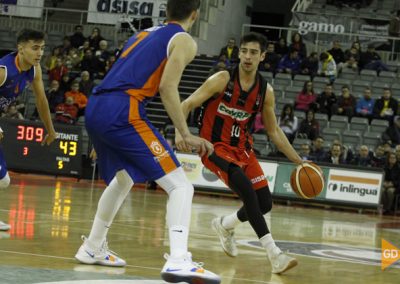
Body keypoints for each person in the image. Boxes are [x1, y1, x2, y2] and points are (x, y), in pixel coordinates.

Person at [74, 1, 220, 283]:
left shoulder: (142, 34)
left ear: (166, 10)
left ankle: (92, 247)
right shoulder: (185, 40)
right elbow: (167, 86)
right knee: (180, 185)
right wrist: (184, 132)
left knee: (124, 178)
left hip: (98, 107)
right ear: (196, 14)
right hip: (123, 111)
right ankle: (178, 260)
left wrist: (103, 130)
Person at [177, 32, 302, 274]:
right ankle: (274, 254)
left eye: (254, 52)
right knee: (248, 193)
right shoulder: (222, 79)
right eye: (244, 51)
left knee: (264, 203)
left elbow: (274, 132)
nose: (247, 56)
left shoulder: (266, 92)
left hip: (243, 149)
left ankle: (225, 225)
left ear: (262, 56)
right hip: (214, 147)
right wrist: (180, 133)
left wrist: (299, 161)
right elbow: (186, 104)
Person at [0, 29, 57, 231]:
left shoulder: (35, 69)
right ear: (20, 48)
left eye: (42, 48)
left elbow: (41, 100)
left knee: (3, 181)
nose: (40, 53)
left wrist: (50, 130)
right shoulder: (3, 71)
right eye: (35, 48)